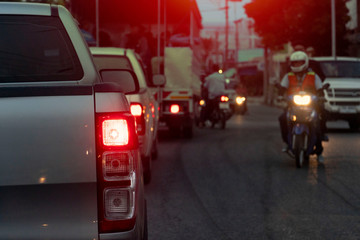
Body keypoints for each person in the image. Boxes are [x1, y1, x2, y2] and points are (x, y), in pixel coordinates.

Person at [278, 51, 325, 163]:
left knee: (317, 122)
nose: (297, 65)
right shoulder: (288, 76)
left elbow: (320, 88)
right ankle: (286, 141)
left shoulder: (313, 75)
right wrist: (280, 95)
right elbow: (282, 88)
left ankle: (319, 152)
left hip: (310, 105)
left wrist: (321, 96)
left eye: (300, 63)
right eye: (295, 63)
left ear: (305, 63)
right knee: (282, 118)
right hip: (293, 106)